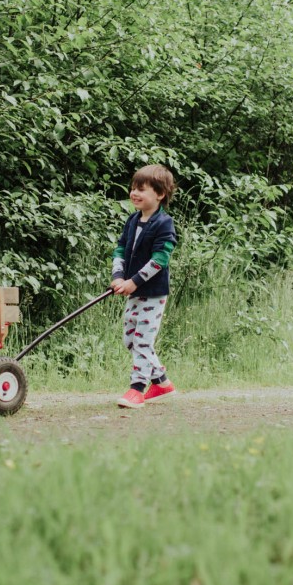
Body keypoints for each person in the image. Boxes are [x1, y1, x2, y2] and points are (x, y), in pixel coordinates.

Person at [109, 164, 178, 408]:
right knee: (130, 339)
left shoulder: (164, 224)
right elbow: (120, 249)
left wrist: (133, 281)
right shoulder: (132, 220)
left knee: (142, 342)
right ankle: (161, 381)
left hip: (153, 293)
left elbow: (160, 260)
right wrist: (118, 276)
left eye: (142, 189)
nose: (134, 193)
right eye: (133, 188)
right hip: (133, 291)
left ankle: (137, 389)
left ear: (159, 194)